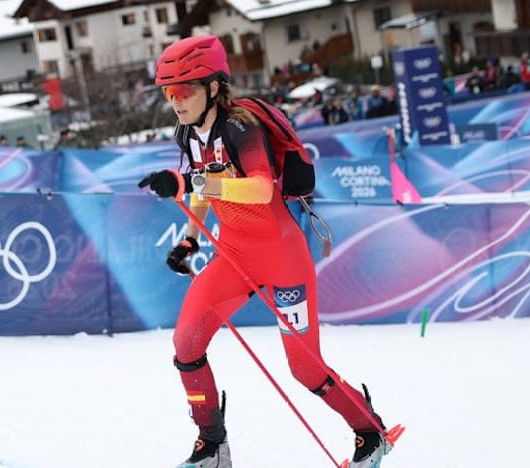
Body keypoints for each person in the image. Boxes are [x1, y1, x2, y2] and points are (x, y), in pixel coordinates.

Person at [138, 35, 389, 468]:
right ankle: (212, 445)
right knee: (186, 343)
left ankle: (370, 431)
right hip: (235, 254)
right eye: (168, 93)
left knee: (306, 370)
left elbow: (257, 188)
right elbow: (202, 189)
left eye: (185, 90)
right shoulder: (188, 133)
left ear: (214, 88)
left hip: (282, 255)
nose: (176, 102)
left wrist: (188, 184)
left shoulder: (241, 129)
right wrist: (190, 239)